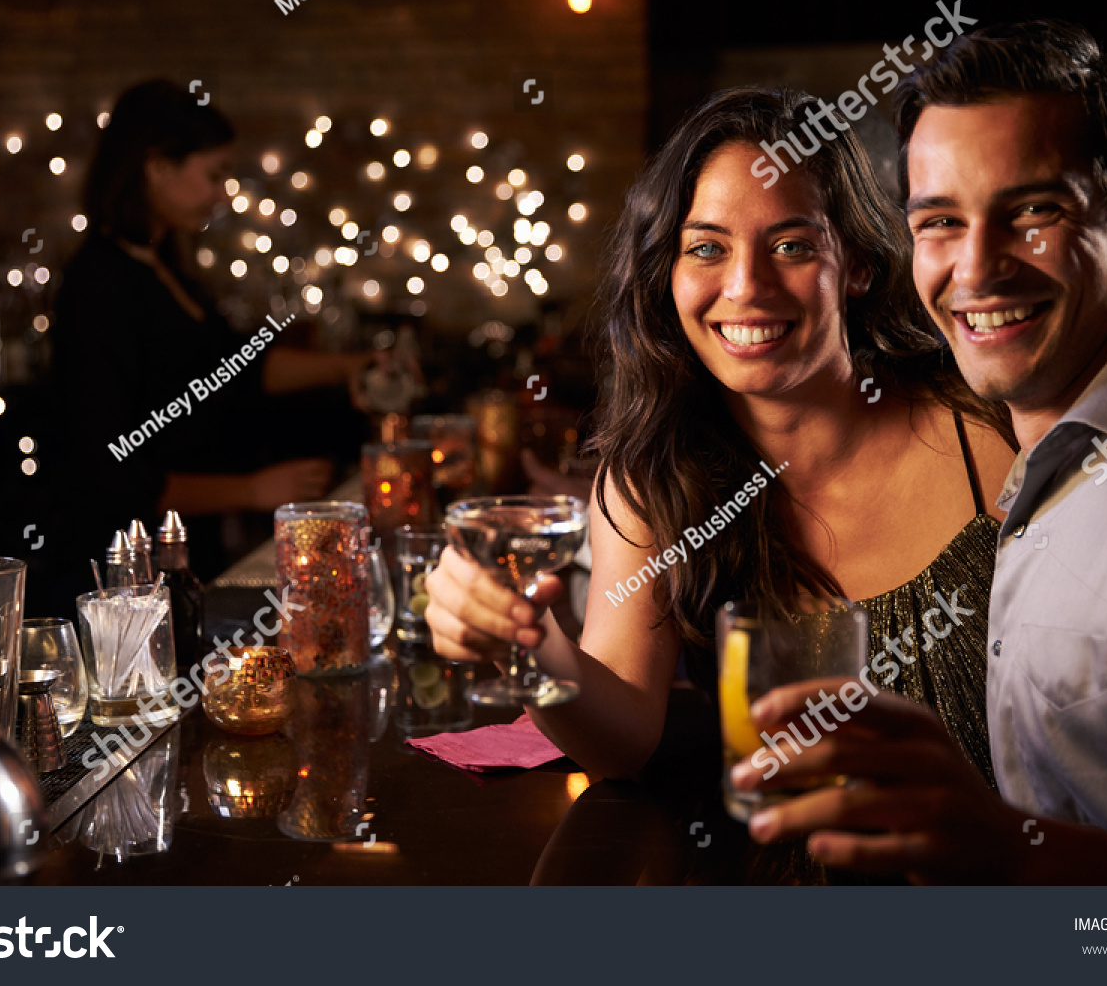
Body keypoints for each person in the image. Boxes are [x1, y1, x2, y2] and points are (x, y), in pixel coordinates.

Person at [733, 20, 1107, 882]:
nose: (976, 267)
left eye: (1032, 212)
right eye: (941, 222)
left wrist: (1012, 860)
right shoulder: (1050, 446)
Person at [427, 86, 1024, 806]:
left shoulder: (988, 424)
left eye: (792, 245)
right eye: (707, 247)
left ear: (859, 265)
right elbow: (622, 742)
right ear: (666, 273)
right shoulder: (653, 479)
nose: (745, 285)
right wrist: (533, 646)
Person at [50, 81, 370, 577]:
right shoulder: (100, 285)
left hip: (187, 553)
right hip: (131, 570)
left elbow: (237, 368)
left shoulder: (165, 267)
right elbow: (109, 471)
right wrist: (253, 490)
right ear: (156, 167)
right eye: (214, 175)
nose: (223, 194)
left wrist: (352, 367)